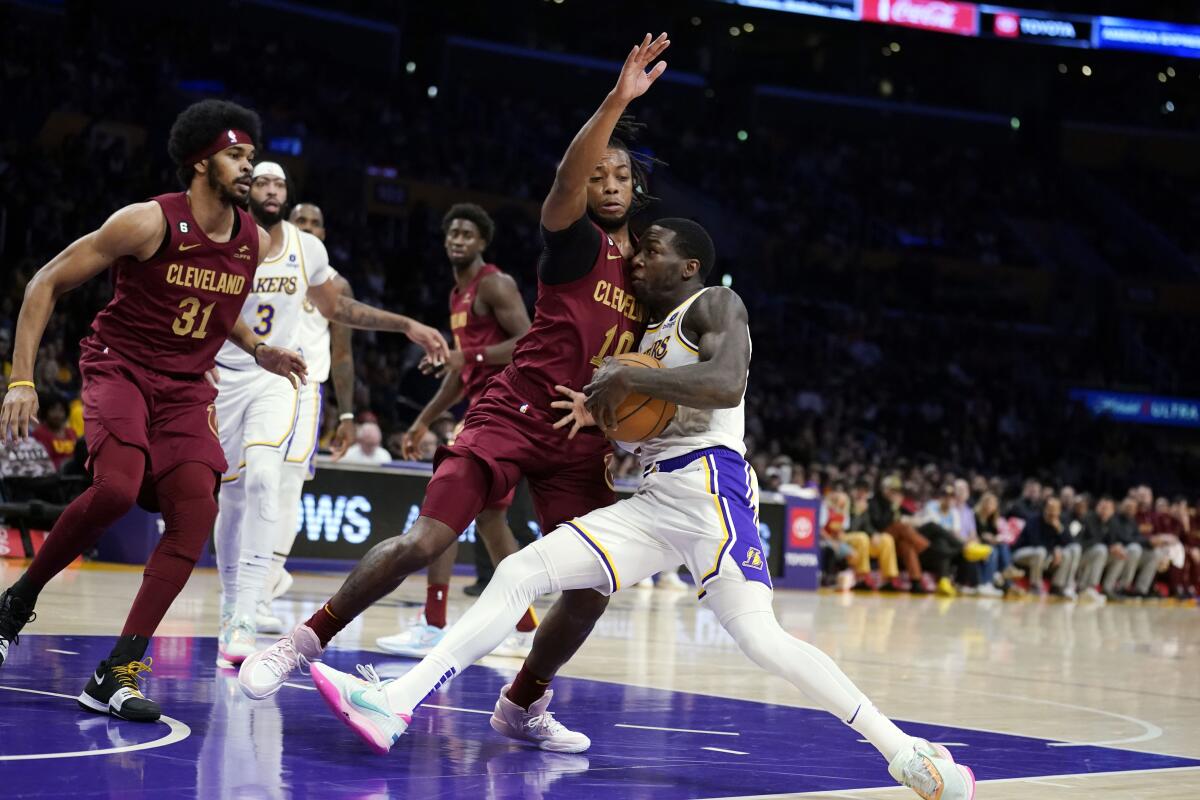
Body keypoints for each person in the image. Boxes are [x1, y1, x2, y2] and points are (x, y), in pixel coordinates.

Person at [303, 219, 975, 800]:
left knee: (762, 641)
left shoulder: (717, 303)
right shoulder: (647, 332)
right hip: (656, 497)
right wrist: (597, 409)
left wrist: (630, 379)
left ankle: (904, 753)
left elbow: (725, 381)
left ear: (687, 265)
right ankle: (396, 703)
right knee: (521, 574)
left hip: (711, 491)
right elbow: (640, 412)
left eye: (652, 250)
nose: (639, 259)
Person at [238, 36, 670, 754]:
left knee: (595, 585)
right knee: (425, 540)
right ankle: (303, 641)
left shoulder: (651, 283)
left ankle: (523, 704)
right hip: (516, 408)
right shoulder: (575, 245)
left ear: (639, 189)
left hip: (580, 437)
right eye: (599, 174)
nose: (608, 181)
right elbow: (567, 175)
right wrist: (616, 102)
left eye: (620, 174)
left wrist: (616, 416)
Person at [0, 100, 308, 722]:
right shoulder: (147, 222)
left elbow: (219, 313)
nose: (248, 166)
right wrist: (22, 378)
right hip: (121, 367)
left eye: (250, 154)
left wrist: (259, 349)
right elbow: (45, 283)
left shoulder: (251, 238)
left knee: (197, 513)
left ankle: (116, 672)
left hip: (187, 387)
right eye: (236, 155)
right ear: (201, 163)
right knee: (117, 489)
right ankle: (17, 602)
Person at [212, 161, 447, 667]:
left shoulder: (307, 249)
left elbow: (341, 311)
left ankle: (248, 610)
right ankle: (233, 598)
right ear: (247, 190)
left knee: (266, 479)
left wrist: (406, 324)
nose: (272, 189)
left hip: (283, 379)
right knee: (232, 495)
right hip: (225, 375)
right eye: (263, 182)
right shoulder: (224, 238)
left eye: (280, 183)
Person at [376, 203, 537, 659]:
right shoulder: (457, 295)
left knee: (443, 504)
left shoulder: (495, 283)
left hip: (505, 405)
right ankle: (526, 628)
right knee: (489, 520)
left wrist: (476, 357)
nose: (458, 239)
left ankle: (432, 624)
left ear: (482, 242)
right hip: (485, 406)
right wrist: (423, 419)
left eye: (468, 233)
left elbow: (529, 342)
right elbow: (457, 370)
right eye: (453, 232)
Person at [256, 201, 358, 632]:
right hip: (258, 383)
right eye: (302, 221)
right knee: (254, 481)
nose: (310, 227)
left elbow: (342, 354)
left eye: (317, 222)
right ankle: (252, 577)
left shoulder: (337, 287)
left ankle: (268, 581)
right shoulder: (265, 266)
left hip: (306, 391)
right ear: (289, 227)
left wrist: (348, 413)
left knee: (288, 485)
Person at [29, 394, 78, 470]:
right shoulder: (39, 434)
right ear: (45, 412)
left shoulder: (71, 432)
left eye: (61, 410)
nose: (57, 414)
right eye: (53, 410)